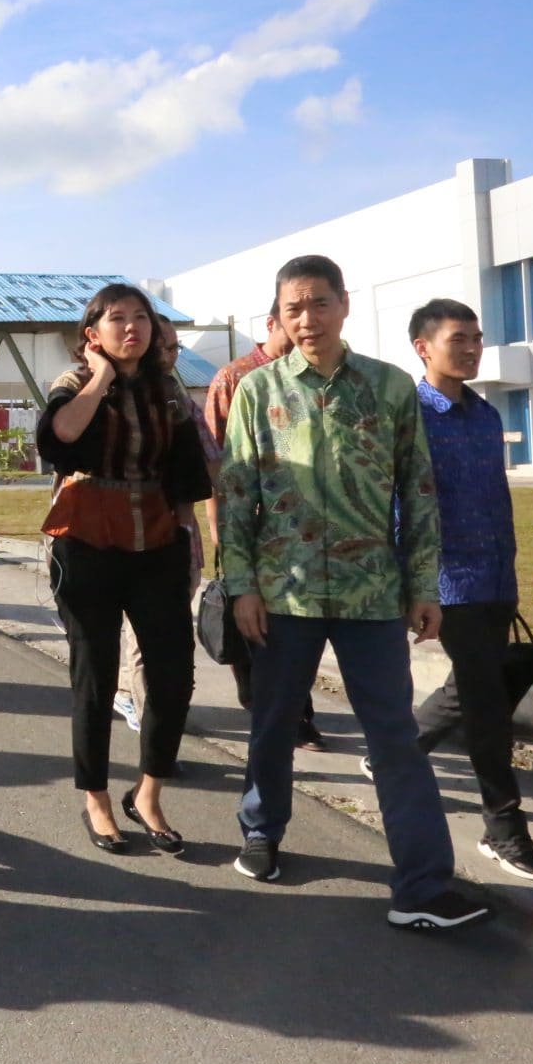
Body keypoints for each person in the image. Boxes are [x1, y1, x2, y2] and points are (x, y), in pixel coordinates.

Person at [220, 255, 490, 931]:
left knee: (395, 736)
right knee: (273, 722)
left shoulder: (390, 387)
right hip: (284, 595)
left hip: (374, 594)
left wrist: (423, 584)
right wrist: (240, 587)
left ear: (344, 305)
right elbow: (235, 498)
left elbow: (418, 493)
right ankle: (262, 826)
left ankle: (423, 885)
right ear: (277, 318)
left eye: (318, 303)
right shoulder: (258, 391)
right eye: (292, 308)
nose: (306, 319)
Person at [36, 286, 211, 857]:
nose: (133, 327)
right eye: (118, 319)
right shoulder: (73, 385)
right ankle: (96, 798)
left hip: (156, 543)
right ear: (93, 334)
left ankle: (150, 792)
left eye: (142, 318)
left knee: (172, 674)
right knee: (95, 674)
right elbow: (60, 437)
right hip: (85, 545)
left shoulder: (169, 393)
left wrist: (191, 547)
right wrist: (101, 378)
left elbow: (187, 477)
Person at [384, 299, 533, 881]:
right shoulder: (409, 416)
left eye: (477, 337)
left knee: (474, 682)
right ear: (423, 348)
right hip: (447, 583)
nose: (473, 348)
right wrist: (415, 584)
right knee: (485, 704)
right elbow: (402, 505)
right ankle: (503, 828)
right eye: (460, 339)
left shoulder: (482, 415)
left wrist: (510, 574)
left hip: (496, 578)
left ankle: (395, 752)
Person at [200, 307, 325, 751]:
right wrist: (218, 524)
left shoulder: (315, 375)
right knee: (251, 622)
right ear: (271, 325)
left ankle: (292, 711)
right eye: (288, 323)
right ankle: (273, 709)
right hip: (247, 524)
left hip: (301, 531)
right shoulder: (234, 379)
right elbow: (213, 458)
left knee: (296, 622)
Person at [111, 324, 215, 737]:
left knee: (165, 633)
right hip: (138, 539)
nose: (170, 355)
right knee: (144, 637)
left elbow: (210, 458)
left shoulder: (178, 398)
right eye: (163, 347)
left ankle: (136, 698)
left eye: (175, 347)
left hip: (179, 536)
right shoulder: (117, 394)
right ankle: (151, 720)